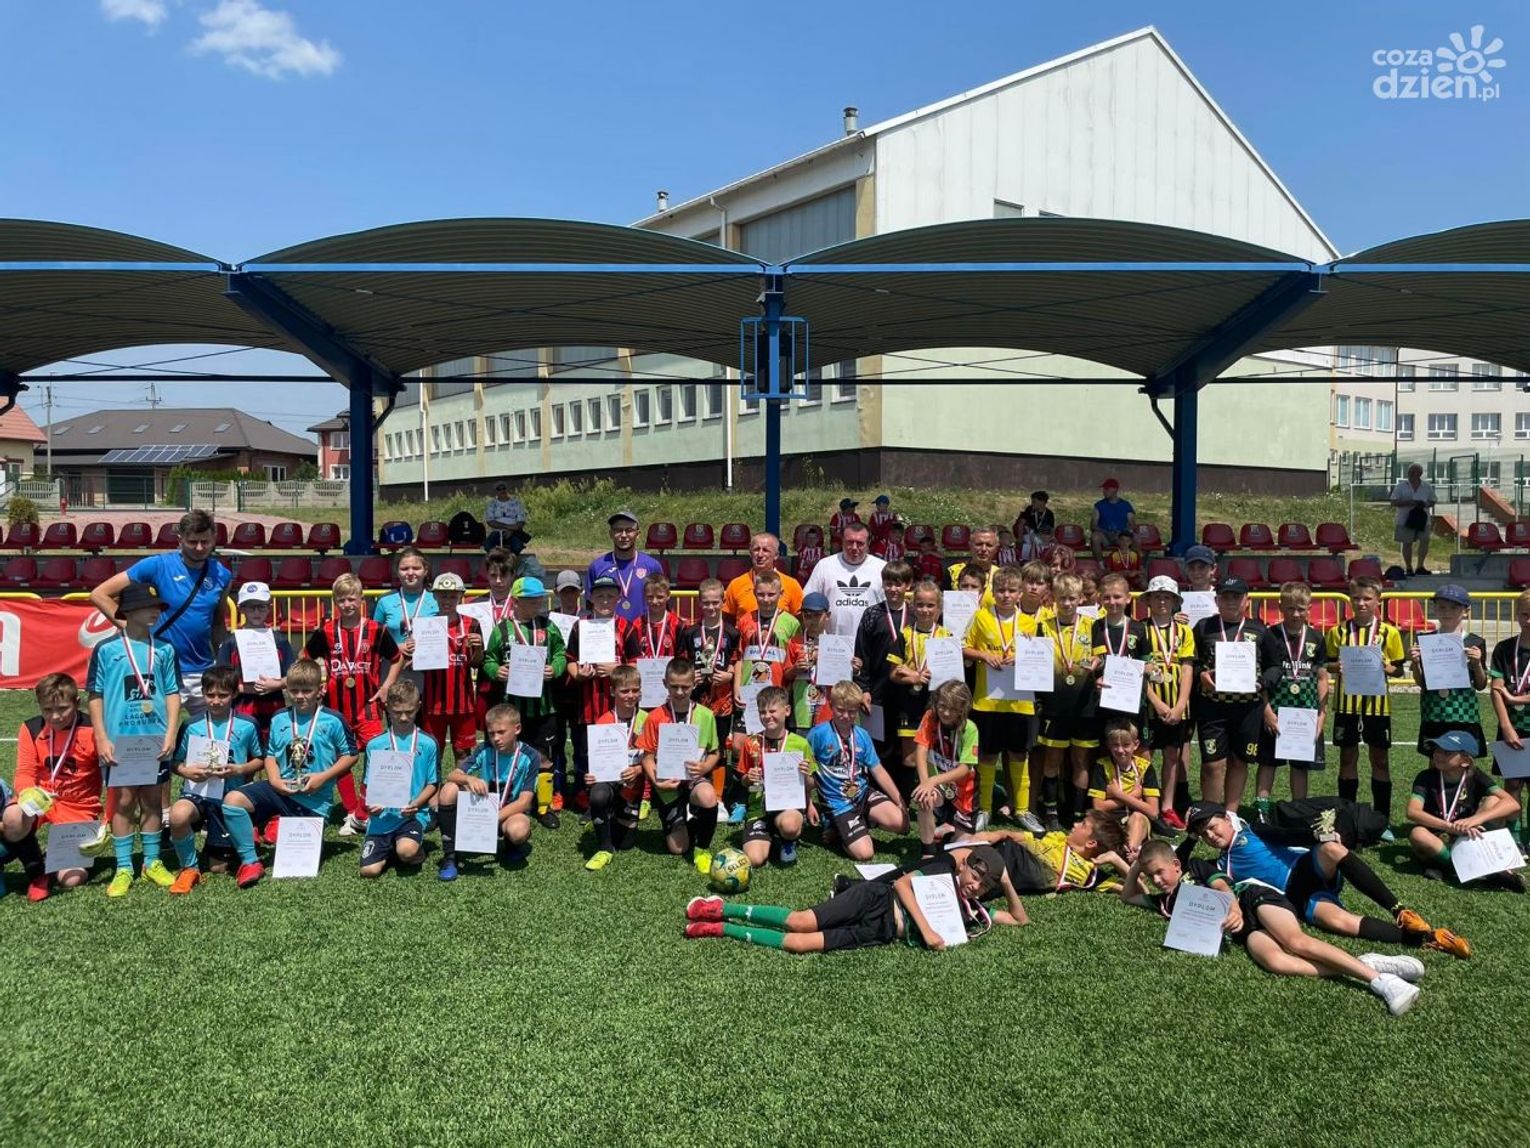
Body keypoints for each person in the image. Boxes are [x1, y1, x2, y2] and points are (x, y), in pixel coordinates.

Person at [1120, 840, 1425, 1016]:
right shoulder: (1165, 901)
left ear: (1176, 864)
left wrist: (1233, 907)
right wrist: (1136, 867)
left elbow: (1222, 885)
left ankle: (1381, 982)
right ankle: (1364, 964)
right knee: (1276, 962)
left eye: (1159, 872)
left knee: (1295, 942)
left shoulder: (1195, 867)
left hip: (1252, 900)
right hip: (1245, 933)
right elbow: (1129, 896)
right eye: (1152, 876)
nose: (1157, 880)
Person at [1184, 800, 1470, 958]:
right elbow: (1180, 863)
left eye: (1213, 826)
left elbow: (1287, 835)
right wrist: (1190, 837)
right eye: (1204, 834)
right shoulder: (1219, 864)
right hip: (1295, 898)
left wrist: (1317, 836)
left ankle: (1399, 910)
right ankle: (1429, 938)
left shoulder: (1252, 831)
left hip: (1304, 869)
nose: (1211, 835)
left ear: (1226, 819)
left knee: (1331, 848)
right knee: (1341, 922)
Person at [682, 843, 1018, 951]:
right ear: (964, 866)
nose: (974, 886)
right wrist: (928, 931)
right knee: (800, 921)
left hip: (881, 930)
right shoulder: (942, 870)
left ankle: (722, 928)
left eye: (982, 886)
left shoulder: (973, 911)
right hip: (876, 899)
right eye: (974, 877)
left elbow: (1018, 919)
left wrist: (1004, 881)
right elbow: (902, 885)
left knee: (798, 945)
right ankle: (721, 908)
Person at [219, 658, 358, 889]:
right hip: (281, 790)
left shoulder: (333, 720)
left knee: (298, 859)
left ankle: (277, 825)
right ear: (287, 690)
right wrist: (274, 780)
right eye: (294, 691)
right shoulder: (279, 717)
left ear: (320, 690)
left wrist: (323, 777)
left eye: (307, 690)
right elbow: (270, 754)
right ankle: (250, 862)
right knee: (233, 801)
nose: (300, 696)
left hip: (314, 801)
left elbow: (350, 755)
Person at [90, 508, 233, 719]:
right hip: (159, 667)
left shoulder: (222, 575)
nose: (199, 548)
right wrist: (130, 628)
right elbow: (99, 594)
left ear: (214, 539)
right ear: (180, 540)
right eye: (192, 542)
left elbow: (218, 624)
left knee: (211, 733)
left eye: (205, 541)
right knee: (156, 732)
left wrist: (222, 664)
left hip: (202, 670)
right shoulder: (157, 565)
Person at [87, 583, 182, 897]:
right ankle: (124, 866)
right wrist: (101, 737)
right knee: (124, 801)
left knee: (153, 801)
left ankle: (152, 862)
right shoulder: (106, 649)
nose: (156, 612)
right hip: (120, 740)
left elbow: (172, 693)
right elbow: (95, 696)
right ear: (128, 611)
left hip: (155, 739)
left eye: (157, 607)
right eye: (148, 606)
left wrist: (171, 733)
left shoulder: (165, 649)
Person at [305, 572, 403, 836]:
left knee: (378, 758)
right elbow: (305, 658)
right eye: (341, 600)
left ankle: (363, 811)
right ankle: (351, 811)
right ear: (334, 602)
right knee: (341, 760)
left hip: (369, 707)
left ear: (361, 600)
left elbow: (396, 658)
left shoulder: (376, 629)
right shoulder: (326, 631)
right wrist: (319, 681)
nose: (347, 604)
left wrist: (386, 686)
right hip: (336, 710)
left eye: (352, 599)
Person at [166, 664, 264, 893]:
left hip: (229, 797)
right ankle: (189, 868)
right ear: (202, 693)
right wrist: (186, 771)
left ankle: (232, 842)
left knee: (218, 868)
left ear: (235, 693)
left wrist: (240, 769)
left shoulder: (248, 724)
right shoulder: (191, 725)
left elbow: (261, 759)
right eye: (210, 695)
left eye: (223, 695)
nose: (216, 701)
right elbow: (174, 763)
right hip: (197, 794)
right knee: (177, 815)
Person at [6, 673, 102, 900]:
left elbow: (111, 776)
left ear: (77, 702)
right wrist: (29, 793)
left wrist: (106, 819)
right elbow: (24, 772)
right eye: (47, 710)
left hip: (79, 806)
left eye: (62, 708)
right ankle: (37, 871)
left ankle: (55, 856)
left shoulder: (94, 729)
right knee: (12, 818)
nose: (55, 716)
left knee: (72, 879)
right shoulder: (30, 728)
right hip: (40, 800)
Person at [483, 576, 567, 828]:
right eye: (532, 600)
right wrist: (496, 670)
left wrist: (556, 668)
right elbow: (489, 659)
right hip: (512, 708)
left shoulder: (548, 627)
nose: (538, 603)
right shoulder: (501, 630)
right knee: (507, 754)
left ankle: (544, 806)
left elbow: (561, 653)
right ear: (516, 601)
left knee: (543, 758)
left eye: (539, 599)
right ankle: (506, 801)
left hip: (544, 707)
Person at [1326, 575, 1405, 834]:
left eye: (1367, 598)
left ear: (1378, 600)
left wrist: (1388, 667)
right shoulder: (1337, 632)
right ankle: (1347, 818)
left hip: (1377, 707)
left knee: (1380, 760)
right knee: (1347, 758)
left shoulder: (1390, 632)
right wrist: (1335, 666)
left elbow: (1399, 670)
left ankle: (1382, 820)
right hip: (1346, 705)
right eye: (1356, 598)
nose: (1361, 603)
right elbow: (1327, 663)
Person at [964, 564, 1035, 831]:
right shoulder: (981, 617)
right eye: (1001, 590)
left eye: (1012, 591)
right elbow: (964, 647)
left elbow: (1040, 656)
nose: (1006, 595)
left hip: (1020, 702)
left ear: (1020, 594)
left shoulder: (1030, 622)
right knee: (987, 755)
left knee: (1019, 755)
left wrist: (1023, 657)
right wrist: (983, 655)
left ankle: (1023, 810)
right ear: (993, 592)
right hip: (987, 701)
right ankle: (985, 809)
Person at [1406, 731, 1523, 890]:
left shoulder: (1476, 776)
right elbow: (1412, 812)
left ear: (1465, 761)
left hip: (1467, 835)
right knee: (1417, 834)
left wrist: (1476, 820)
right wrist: (1449, 827)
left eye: (1447, 752)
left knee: (1494, 801)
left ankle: (1456, 865)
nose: (1438, 755)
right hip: (1437, 836)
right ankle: (1468, 867)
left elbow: (1512, 804)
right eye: (1437, 749)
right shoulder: (1426, 777)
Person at [807, 680, 909, 860]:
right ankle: (836, 827)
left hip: (862, 794)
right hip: (837, 802)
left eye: (852, 711)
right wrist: (808, 803)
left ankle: (854, 825)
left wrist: (899, 800)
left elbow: (878, 770)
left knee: (901, 822)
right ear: (831, 706)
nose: (846, 716)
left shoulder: (862, 735)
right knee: (865, 854)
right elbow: (806, 773)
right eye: (840, 710)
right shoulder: (817, 735)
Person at [638, 658, 722, 872]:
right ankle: (686, 822)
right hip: (667, 784)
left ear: (694, 684)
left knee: (708, 796)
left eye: (685, 687)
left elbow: (715, 753)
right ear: (665, 683)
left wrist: (705, 768)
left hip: (695, 778)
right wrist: (657, 781)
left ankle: (702, 848)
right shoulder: (655, 717)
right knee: (678, 848)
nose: (679, 692)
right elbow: (647, 757)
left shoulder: (706, 715)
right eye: (674, 686)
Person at [1191, 576, 1267, 814]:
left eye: (1237, 596)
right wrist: (1201, 675)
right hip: (1212, 707)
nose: (1231, 601)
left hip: (1247, 708)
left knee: (1239, 761)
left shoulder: (1259, 629)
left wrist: (1263, 682)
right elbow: (1190, 661)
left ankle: (1231, 813)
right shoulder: (1203, 627)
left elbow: (1274, 665)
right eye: (1225, 597)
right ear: (1217, 600)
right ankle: (1211, 813)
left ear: (1247, 600)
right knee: (1212, 764)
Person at [438, 702, 540, 880]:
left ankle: (511, 844)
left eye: (501, 732)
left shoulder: (530, 756)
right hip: (482, 810)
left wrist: (492, 818)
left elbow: (524, 802)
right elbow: (452, 775)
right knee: (449, 789)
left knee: (519, 831)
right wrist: (469, 779)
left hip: (508, 813)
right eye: (492, 733)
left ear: (517, 729)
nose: (496, 738)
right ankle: (450, 856)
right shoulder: (485, 749)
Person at [1255, 581, 1330, 810]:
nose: (1295, 614)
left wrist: (1321, 715)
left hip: (1305, 712)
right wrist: (1266, 711)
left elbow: (1322, 677)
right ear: (1280, 607)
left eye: (1300, 609)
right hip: (1276, 711)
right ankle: (1262, 808)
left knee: (1300, 766)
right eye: (1290, 608)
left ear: (1309, 608)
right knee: (1268, 762)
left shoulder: (1317, 638)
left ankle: (1299, 809)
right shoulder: (1269, 636)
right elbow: (1261, 677)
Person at [1035, 572, 1099, 831]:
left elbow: (1102, 655)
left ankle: (1077, 813)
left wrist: (1098, 662)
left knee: (1081, 760)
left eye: (1072, 598)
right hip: (1055, 704)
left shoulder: (1092, 625)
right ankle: (1051, 812)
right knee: (1053, 758)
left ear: (1081, 598)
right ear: (1053, 598)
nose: (1067, 603)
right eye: (1062, 598)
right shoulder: (1043, 626)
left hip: (1084, 704)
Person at [359, 680, 440, 879]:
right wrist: (371, 806)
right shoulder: (375, 745)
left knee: (407, 852)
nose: (403, 717)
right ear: (387, 707)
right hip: (382, 818)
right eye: (397, 712)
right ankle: (390, 847)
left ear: (418, 706)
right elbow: (367, 785)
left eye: (409, 711)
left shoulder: (428, 743)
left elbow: (433, 783)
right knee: (369, 871)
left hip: (412, 816)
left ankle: (407, 847)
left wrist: (416, 804)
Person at [565, 574, 628, 816]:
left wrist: (616, 669)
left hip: (616, 705)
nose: (605, 601)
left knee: (617, 752)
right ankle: (586, 800)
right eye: (600, 596)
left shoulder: (627, 627)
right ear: (591, 597)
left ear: (618, 598)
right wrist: (579, 674)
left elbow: (635, 664)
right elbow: (571, 661)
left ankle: (617, 798)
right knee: (584, 752)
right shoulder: (580, 627)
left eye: (610, 596)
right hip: (587, 704)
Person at [733, 685, 813, 868]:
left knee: (790, 825)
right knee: (755, 859)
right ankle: (771, 835)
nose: (767, 716)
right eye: (762, 712)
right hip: (758, 809)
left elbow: (811, 784)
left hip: (788, 807)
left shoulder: (801, 744)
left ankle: (787, 840)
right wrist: (748, 777)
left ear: (787, 710)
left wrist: (806, 774)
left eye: (772, 711)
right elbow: (743, 782)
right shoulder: (751, 742)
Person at [679, 578, 741, 810]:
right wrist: (690, 677)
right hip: (696, 699)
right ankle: (691, 791)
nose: (711, 607)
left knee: (720, 748)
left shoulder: (732, 632)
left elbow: (737, 661)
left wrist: (730, 675)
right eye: (706, 603)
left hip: (722, 700)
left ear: (723, 602)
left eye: (715, 602)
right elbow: (682, 663)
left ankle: (719, 797)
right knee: (695, 745)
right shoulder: (690, 632)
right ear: (699, 603)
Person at [1141, 576, 1195, 829]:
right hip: (1149, 705)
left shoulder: (1184, 631)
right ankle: (1145, 805)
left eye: (1167, 597)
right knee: (1145, 756)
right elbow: (1137, 670)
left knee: (1172, 755)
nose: (1162, 601)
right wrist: (1156, 702)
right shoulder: (1140, 629)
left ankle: (1167, 806)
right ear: (1148, 600)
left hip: (1176, 706)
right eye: (1157, 596)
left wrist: (1181, 704)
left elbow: (1187, 668)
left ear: (1175, 601)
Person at [418, 572, 485, 770]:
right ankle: (433, 789)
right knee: (433, 751)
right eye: (443, 595)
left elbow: (476, 664)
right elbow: (416, 665)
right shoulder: (424, 624)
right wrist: (414, 650)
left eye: (452, 595)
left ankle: (460, 789)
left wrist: (479, 647)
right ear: (435, 596)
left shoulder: (472, 623)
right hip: (433, 703)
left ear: (461, 596)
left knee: (463, 752)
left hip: (463, 703)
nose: (447, 600)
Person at [582, 664, 646, 871]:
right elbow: (596, 763)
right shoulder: (603, 722)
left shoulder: (648, 720)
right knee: (597, 795)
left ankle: (613, 815)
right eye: (624, 691)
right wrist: (591, 777)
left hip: (634, 786)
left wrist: (638, 770)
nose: (630, 695)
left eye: (635, 690)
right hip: (609, 781)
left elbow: (656, 758)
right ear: (612, 691)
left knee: (625, 843)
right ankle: (604, 849)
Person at [1412, 584, 1487, 755]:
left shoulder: (1475, 642)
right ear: (1435, 609)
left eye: (1454, 608)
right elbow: (1422, 683)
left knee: (1464, 758)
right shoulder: (1426, 640)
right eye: (1442, 607)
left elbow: (1481, 685)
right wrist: (1415, 663)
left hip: (1464, 712)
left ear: (1466, 611)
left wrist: (1477, 664)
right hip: (1434, 711)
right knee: (1435, 758)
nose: (1447, 612)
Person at [853, 560, 914, 772]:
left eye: (898, 584)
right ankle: (877, 790)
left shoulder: (916, 614)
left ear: (908, 585)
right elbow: (862, 653)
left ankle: (904, 791)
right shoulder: (872, 614)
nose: (893, 589)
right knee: (879, 747)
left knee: (906, 749)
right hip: (878, 692)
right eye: (888, 584)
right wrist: (864, 689)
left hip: (910, 693)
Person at [214, 581, 293, 740]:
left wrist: (277, 684)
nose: (256, 612)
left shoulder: (280, 641)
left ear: (269, 608)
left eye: (261, 607)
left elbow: (293, 675)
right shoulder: (231, 642)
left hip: (274, 707)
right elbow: (221, 680)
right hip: (241, 709)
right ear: (241, 609)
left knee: (274, 749)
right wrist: (245, 689)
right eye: (250, 607)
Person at [911, 680, 980, 858]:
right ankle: (927, 851)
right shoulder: (930, 717)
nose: (946, 712)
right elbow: (921, 750)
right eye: (942, 706)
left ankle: (947, 830)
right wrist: (925, 783)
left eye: (953, 708)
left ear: (963, 708)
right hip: (939, 786)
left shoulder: (970, 729)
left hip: (964, 792)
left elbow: (965, 769)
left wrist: (932, 780)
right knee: (924, 798)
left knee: (961, 852)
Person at [887, 580, 952, 762]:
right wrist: (914, 678)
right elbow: (893, 673)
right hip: (910, 703)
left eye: (930, 605)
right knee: (910, 759)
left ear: (939, 608)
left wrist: (910, 672)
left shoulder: (946, 636)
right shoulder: (905, 635)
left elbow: (952, 675)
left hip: (937, 702)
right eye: (920, 605)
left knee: (935, 755)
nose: (925, 610)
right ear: (913, 606)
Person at [1488, 589, 1530, 843]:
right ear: (1516, 615)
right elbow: (1496, 689)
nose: (1529, 620)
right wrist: (1506, 726)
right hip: (1512, 728)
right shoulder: (1504, 649)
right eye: (1524, 614)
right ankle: (1514, 840)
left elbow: (1506, 694)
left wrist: (1515, 699)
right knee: (1512, 785)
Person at [802, 521, 887, 638]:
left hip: (870, 642)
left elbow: (889, 607)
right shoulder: (825, 566)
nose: (854, 547)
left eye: (860, 543)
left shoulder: (881, 568)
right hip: (832, 642)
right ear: (842, 542)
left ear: (868, 543)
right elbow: (808, 601)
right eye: (850, 542)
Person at [1088, 719, 1159, 858]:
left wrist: (1118, 794)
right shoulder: (1102, 766)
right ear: (1108, 745)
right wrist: (1134, 796)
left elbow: (1153, 812)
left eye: (1126, 745)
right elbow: (1098, 807)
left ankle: (1127, 855)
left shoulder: (1145, 767)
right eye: (1115, 745)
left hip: (1137, 820)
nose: (1120, 750)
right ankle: (1128, 857)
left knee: (1138, 817)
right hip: (1111, 821)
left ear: (1136, 744)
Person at [372, 546, 438, 690]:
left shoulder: (436, 599)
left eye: (416, 568)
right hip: (392, 670)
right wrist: (395, 648)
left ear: (425, 570)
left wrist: (423, 651)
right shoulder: (384, 601)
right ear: (397, 571)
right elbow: (373, 640)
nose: (410, 573)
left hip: (428, 672)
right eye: (404, 568)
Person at [586, 509, 666, 626]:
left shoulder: (652, 566)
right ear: (610, 534)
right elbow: (590, 605)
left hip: (643, 632)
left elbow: (662, 602)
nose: (624, 535)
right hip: (610, 631)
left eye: (629, 530)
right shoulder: (597, 566)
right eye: (618, 530)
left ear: (638, 534)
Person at [734, 568, 800, 693]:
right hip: (748, 690)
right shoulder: (744, 620)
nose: (766, 599)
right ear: (754, 593)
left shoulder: (792, 623)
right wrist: (737, 688)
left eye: (771, 594)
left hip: (778, 692)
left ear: (781, 593)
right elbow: (739, 659)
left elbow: (793, 663)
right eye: (761, 594)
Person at [722, 532, 804, 619]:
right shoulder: (736, 585)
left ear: (776, 555)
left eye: (765, 550)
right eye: (756, 549)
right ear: (750, 553)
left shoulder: (791, 585)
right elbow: (727, 620)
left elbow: (800, 619)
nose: (760, 555)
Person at [783, 593, 833, 733]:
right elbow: (786, 675)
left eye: (817, 615)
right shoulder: (795, 641)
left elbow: (842, 678)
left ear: (827, 615)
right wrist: (795, 669)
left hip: (827, 711)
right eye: (808, 616)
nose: (812, 620)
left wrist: (854, 668)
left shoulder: (835, 643)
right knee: (801, 745)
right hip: (801, 709)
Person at [1389, 462, 1437, 575]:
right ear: (1408, 473)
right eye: (1411, 472)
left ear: (1420, 474)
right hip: (1405, 519)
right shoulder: (1401, 486)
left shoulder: (1426, 487)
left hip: (1422, 519)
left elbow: (1433, 500)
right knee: (1407, 543)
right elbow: (1393, 501)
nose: (1414, 474)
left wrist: (1425, 504)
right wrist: (1409, 502)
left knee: (1424, 541)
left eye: (1416, 472)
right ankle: (1409, 567)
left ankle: (1420, 566)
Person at [947, 527, 1001, 607]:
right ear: (970, 546)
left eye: (989, 545)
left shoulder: (1001, 576)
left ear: (996, 548)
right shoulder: (952, 572)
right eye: (979, 544)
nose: (983, 549)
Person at [1090, 478, 1136, 561]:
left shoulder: (1126, 505)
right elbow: (1093, 525)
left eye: (1106, 489)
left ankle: (1133, 563)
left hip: (1120, 536)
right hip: (1105, 536)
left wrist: (1122, 533)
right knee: (1095, 537)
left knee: (1136, 538)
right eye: (1103, 489)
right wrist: (1106, 532)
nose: (1104, 491)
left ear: (1115, 489)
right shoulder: (1099, 505)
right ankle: (1100, 564)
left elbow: (1132, 525)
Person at [484, 481, 530, 553]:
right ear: (496, 492)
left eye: (504, 488)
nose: (502, 490)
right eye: (499, 489)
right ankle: (497, 558)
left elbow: (521, 521)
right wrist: (508, 527)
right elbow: (490, 522)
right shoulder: (491, 504)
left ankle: (511, 559)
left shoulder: (516, 503)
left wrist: (511, 531)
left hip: (513, 532)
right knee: (487, 545)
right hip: (497, 532)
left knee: (518, 546)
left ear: (506, 489)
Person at [1015, 491, 1055, 562]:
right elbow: (1021, 523)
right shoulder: (1029, 510)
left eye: (1034, 502)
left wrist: (1051, 538)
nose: (1032, 504)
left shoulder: (1049, 514)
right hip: (1030, 534)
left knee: (1054, 542)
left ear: (1042, 502)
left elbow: (1051, 529)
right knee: (1031, 542)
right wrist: (1020, 538)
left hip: (1043, 536)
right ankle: (1029, 561)